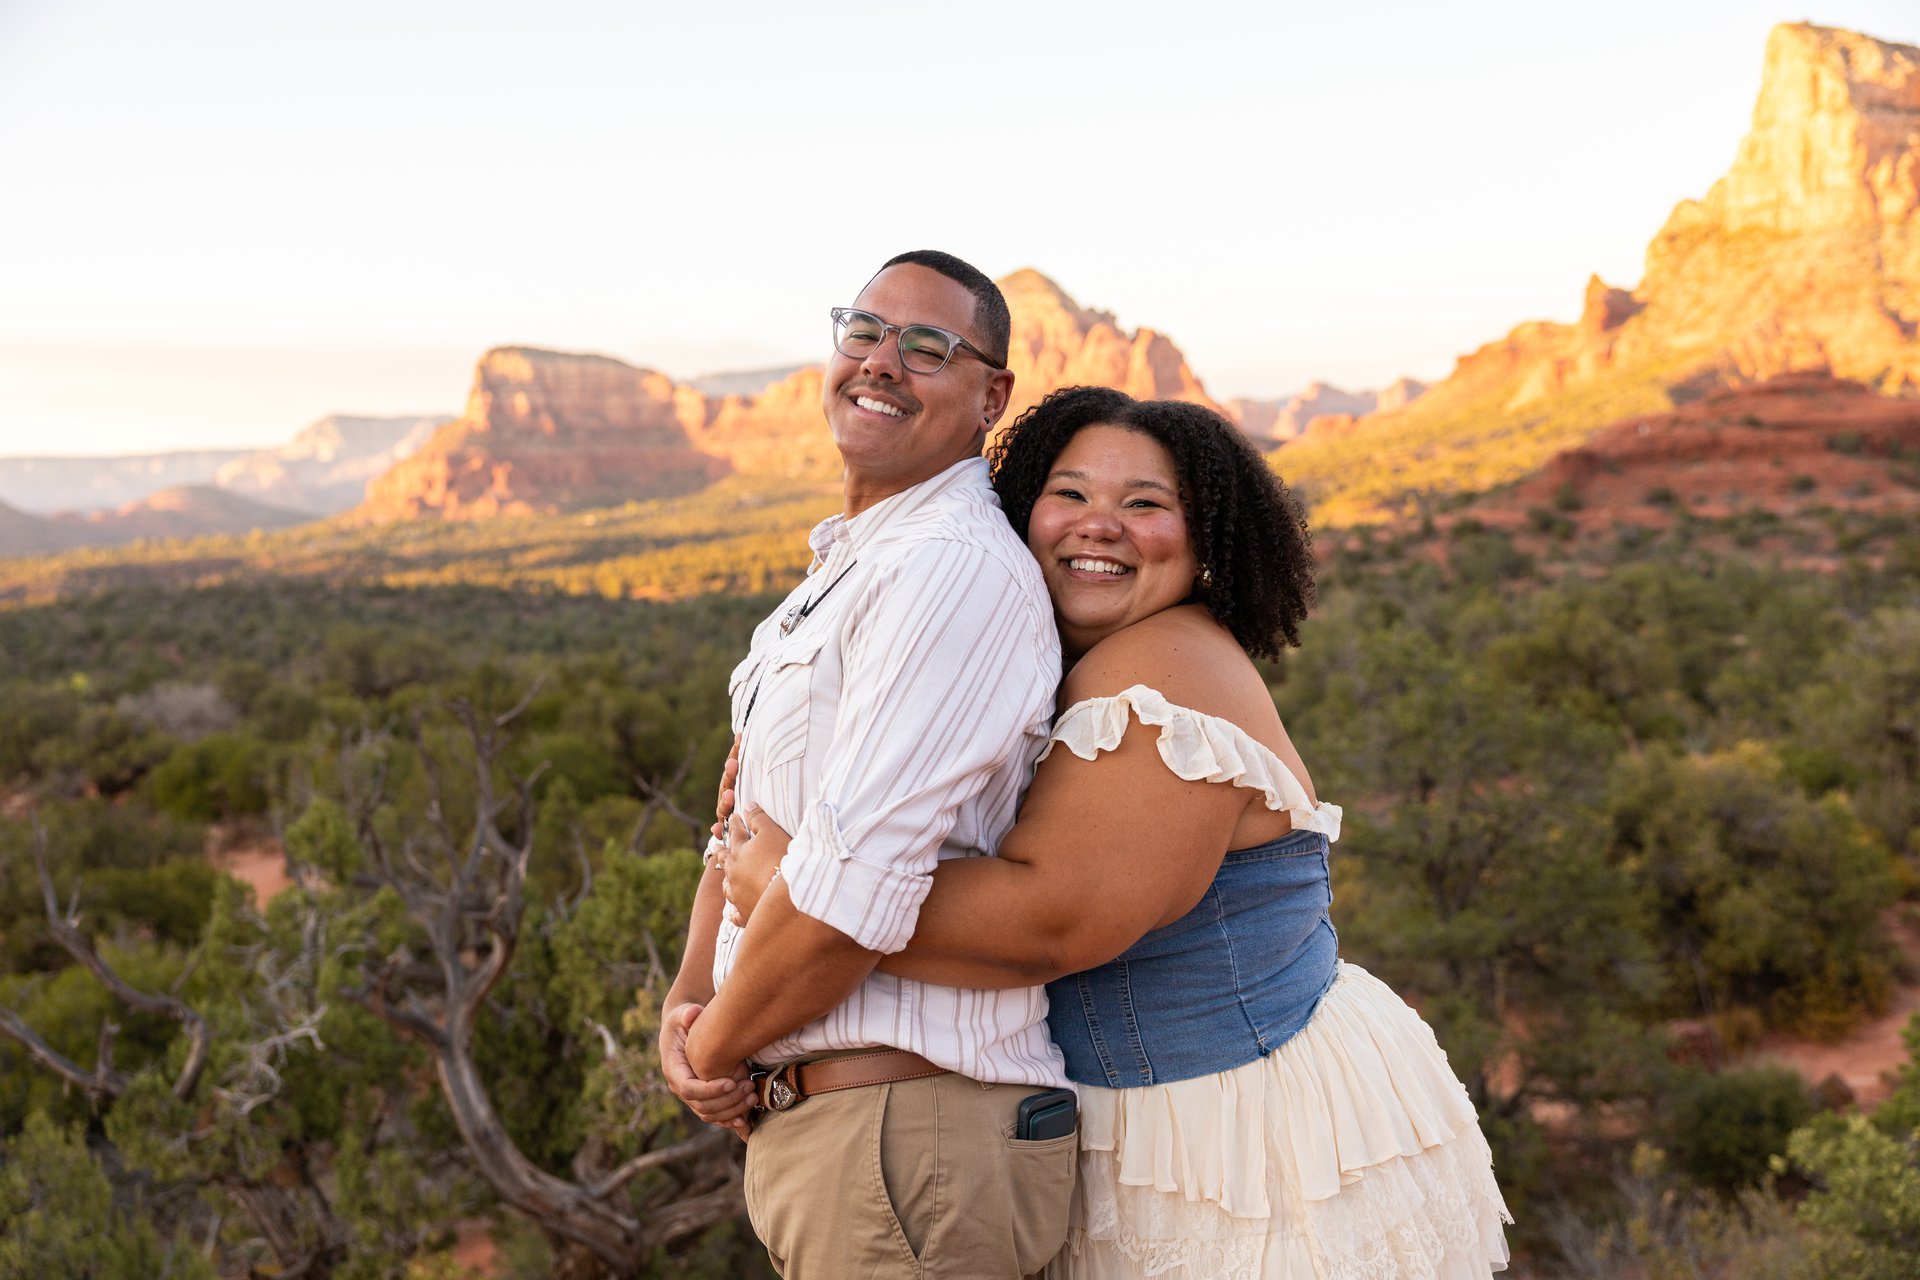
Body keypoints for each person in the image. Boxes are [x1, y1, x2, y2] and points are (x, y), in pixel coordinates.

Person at [717, 387, 1514, 1278]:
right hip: (1127, 1123)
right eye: (1071, 495)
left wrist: (801, 886)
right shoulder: (1059, 664)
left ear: (1208, 538)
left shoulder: (1163, 670)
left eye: (1146, 505)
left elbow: (1051, 922)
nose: (1101, 526)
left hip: (1232, 1140)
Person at [658, 250, 1078, 1278]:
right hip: (857, 1139)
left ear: (992, 396)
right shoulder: (852, 567)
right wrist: (685, 1000)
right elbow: (742, 814)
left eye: (927, 345)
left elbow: (849, 894)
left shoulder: (947, 568)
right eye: (864, 331)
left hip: (906, 1141)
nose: (883, 362)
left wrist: (711, 1054)